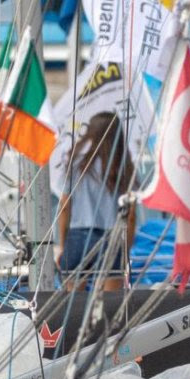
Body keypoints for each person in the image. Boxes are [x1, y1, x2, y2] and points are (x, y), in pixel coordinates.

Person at [56, 112, 134, 286]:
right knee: (110, 307)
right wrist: (125, 249)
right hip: (111, 239)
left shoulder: (75, 164)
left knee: (74, 306)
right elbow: (131, 216)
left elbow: (64, 206)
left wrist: (63, 245)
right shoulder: (123, 167)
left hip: (77, 237)